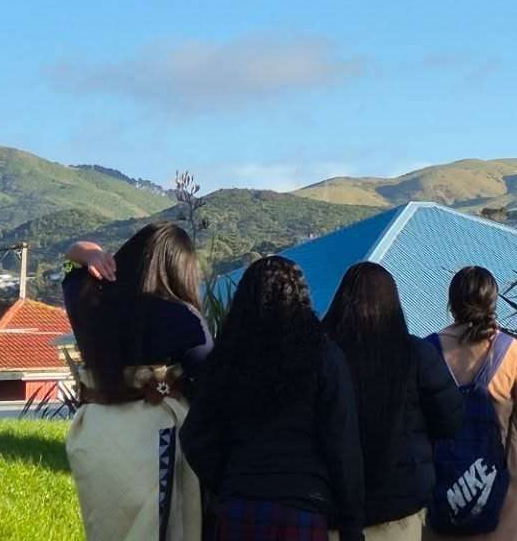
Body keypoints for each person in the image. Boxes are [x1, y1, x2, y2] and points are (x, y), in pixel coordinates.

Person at [182, 256, 364, 541]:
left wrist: (229, 482)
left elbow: (195, 436)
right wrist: (351, 526)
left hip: (239, 507)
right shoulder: (324, 355)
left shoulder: (228, 358)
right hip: (304, 506)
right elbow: (343, 445)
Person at [63, 223, 212, 541]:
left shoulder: (85, 297)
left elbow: (73, 251)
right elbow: (210, 380)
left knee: (105, 527)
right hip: (151, 437)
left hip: (93, 433)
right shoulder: (182, 317)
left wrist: (91, 254)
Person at [324, 262, 465, 540]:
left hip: (331, 505)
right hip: (400, 504)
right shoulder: (416, 354)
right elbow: (451, 420)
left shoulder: (321, 354)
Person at [425, 266, 517, 541]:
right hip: (501, 483)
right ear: (492, 301)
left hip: (440, 481)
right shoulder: (512, 351)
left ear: (451, 303)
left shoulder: (427, 350)